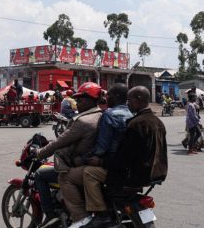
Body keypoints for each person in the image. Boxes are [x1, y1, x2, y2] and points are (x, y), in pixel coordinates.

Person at [34, 82, 103, 228]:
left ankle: (53, 217)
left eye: (80, 99)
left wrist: (40, 152)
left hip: (77, 164)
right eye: (76, 99)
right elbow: (67, 139)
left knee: (41, 174)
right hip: (87, 160)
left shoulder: (83, 121)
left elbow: (60, 141)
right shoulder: (99, 115)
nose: (77, 102)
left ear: (91, 100)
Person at [81, 83, 133, 227]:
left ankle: (100, 213)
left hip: (113, 165)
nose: (105, 97)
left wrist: (85, 157)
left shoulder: (109, 115)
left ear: (116, 96)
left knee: (88, 172)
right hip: (129, 165)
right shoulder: (132, 113)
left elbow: (101, 147)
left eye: (108, 95)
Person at [103, 86, 168, 199]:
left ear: (139, 99)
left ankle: (101, 212)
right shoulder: (158, 122)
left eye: (129, 100)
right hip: (158, 172)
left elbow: (125, 157)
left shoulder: (137, 123)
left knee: (89, 173)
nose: (127, 104)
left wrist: (101, 162)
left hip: (138, 175)